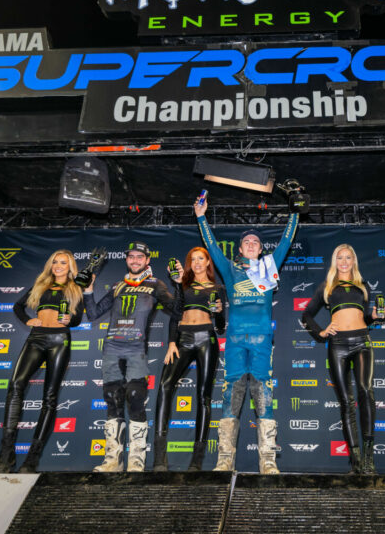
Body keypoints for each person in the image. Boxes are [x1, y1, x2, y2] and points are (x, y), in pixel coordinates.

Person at [195, 191, 302, 474]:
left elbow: (287, 240)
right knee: (230, 396)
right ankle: (224, 462)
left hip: (262, 342)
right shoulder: (230, 270)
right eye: (247, 242)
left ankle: (267, 463)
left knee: (264, 397)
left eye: (256, 241)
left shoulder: (270, 266)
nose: (252, 244)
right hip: (234, 343)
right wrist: (201, 218)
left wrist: (295, 212)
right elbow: (213, 247)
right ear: (240, 249)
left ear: (260, 248)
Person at [85, 241, 175, 472]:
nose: (135, 261)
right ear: (127, 259)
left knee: (135, 397)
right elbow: (94, 312)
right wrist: (87, 290)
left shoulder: (155, 284)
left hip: (136, 350)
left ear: (147, 261)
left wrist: (179, 284)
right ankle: (113, 460)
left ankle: (137, 460)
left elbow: (177, 309)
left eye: (139, 257)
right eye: (131, 257)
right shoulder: (118, 285)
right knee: (113, 399)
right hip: (112, 349)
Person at [0, 250, 84, 473]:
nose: (58, 266)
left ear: (70, 266)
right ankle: (6, 455)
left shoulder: (75, 288)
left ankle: (32, 460)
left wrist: (69, 319)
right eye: (55, 262)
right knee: (15, 385)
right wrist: (28, 319)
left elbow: (78, 319)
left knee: (50, 398)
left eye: (63, 262)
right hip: (36, 338)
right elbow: (17, 306)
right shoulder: (41, 284)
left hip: (59, 341)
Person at [301, 244, 385, 474]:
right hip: (337, 345)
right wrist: (320, 331)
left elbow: (365, 318)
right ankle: (356, 462)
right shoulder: (327, 287)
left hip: (362, 342)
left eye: (349, 257)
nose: (344, 261)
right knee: (347, 403)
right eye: (340, 257)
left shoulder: (363, 286)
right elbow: (306, 314)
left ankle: (369, 460)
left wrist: (375, 317)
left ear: (354, 261)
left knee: (365, 391)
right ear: (334, 261)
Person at [152, 247, 226, 471]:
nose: (196, 262)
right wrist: (172, 342)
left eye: (200, 258)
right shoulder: (182, 285)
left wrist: (220, 311)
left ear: (207, 263)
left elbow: (220, 326)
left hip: (207, 338)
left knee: (204, 395)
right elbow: (176, 314)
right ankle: (159, 459)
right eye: (192, 259)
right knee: (165, 386)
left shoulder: (218, 287)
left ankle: (196, 462)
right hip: (182, 338)